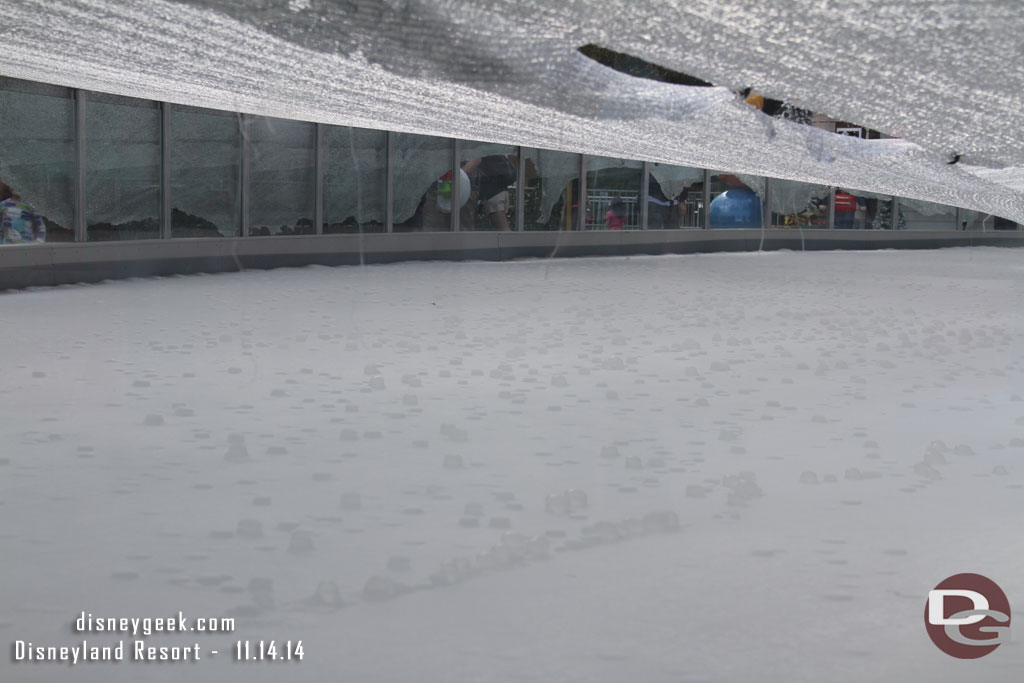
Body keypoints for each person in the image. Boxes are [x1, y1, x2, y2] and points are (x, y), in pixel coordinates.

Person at [461, 154, 518, 231]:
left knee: (502, 229)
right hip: (497, 189)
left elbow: (477, 159)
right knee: (502, 228)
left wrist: (458, 175)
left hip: (493, 191)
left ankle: (510, 242)